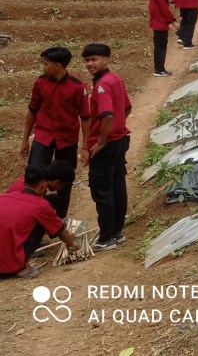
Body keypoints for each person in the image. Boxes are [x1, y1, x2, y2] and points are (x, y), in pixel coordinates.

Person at [19, 46, 89, 220]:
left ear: (57, 65)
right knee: (34, 176)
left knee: (64, 179)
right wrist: (25, 139)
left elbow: (85, 118)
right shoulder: (40, 82)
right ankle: (33, 216)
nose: (44, 67)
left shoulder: (78, 87)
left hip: (67, 139)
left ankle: (61, 218)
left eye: (46, 64)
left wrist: (85, 147)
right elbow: (32, 111)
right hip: (43, 137)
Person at [80, 44, 131, 252]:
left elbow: (107, 114)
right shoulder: (116, 79)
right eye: (87, 60)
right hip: (120, 140)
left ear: (106, 59)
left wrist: (100, 141)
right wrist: (118, 125)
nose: (90, 64)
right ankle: (117, 232)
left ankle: (106, 237)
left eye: (94, 59)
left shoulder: (101, 86)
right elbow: (127, 107)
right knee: (117, 185)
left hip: (107, 145)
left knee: (102, 190)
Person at [0, 165, 80, 278]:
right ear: (43, 184)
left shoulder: (4, 197)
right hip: (8, 267)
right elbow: (61, 233)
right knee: (42, 223)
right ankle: (20, 267)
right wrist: (71, 243)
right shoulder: (41, 205)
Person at [149, 0, 176, 77]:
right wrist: (173, 21)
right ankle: (159, 70)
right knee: (161, 47)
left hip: (157, 23)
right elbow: (165, 9)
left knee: (158, 47)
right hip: (160, 24)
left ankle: (158, 68)